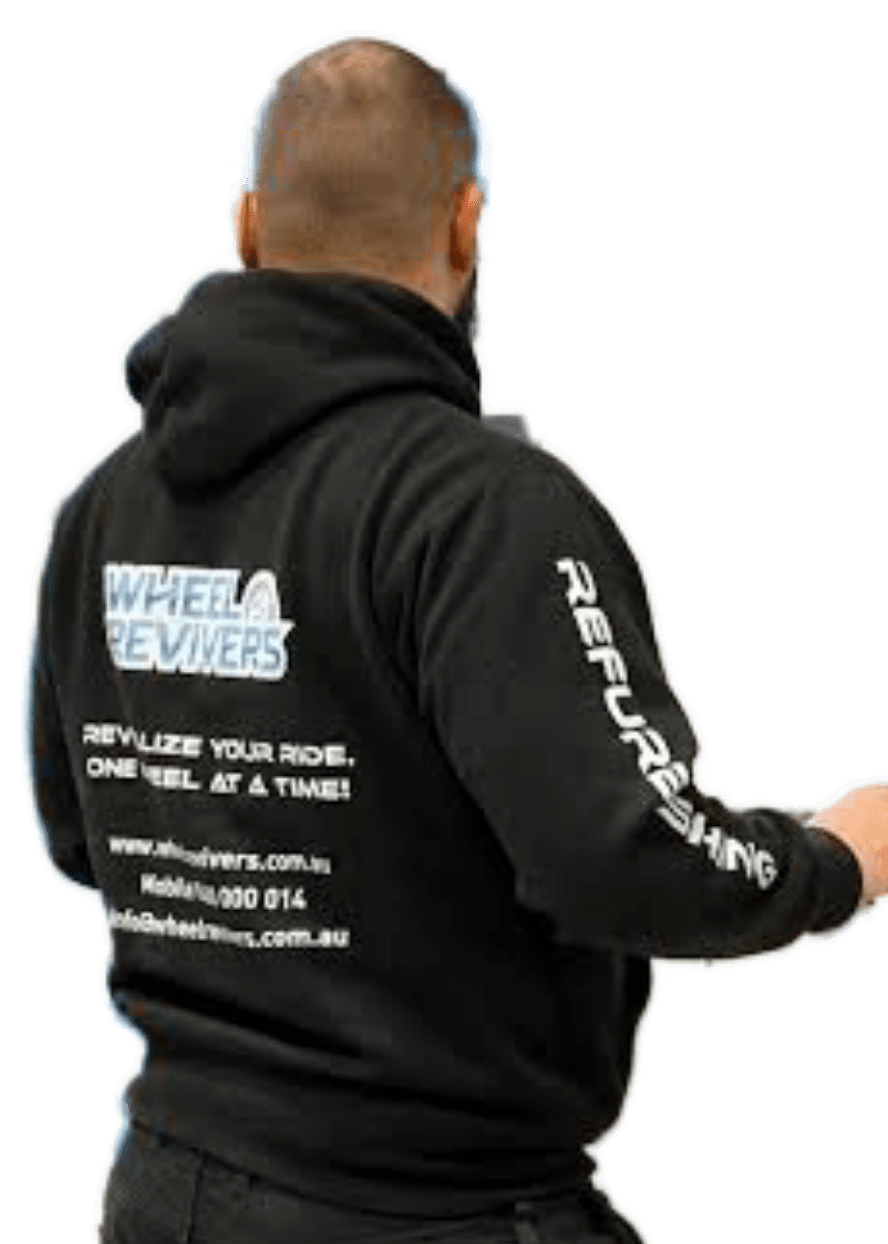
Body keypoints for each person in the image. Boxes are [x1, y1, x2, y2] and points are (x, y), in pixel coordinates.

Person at [23, 31, 888, 1244]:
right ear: (468, 224)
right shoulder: (481, 511)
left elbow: (86, 832)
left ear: (249, 226)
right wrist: (840, 854)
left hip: (163, 1196)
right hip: (438, 1203)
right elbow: (627, 858)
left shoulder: (102, 507)